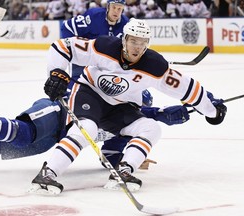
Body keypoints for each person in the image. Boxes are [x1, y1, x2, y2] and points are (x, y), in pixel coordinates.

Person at [29, 18, 227, 195]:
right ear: (124, 39)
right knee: (86, 127)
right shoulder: (103, 46)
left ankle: (124, 171)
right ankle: (48, 174)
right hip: (89, 94)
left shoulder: (155, 66)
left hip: (121, 107)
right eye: (133, 41)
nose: (137, 47)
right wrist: (56, 73)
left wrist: (211, 110)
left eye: (142, 43)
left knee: (151, 128)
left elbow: (188, 88)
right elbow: (62, 46)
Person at [0, 94, 190, 167]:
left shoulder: (125, 127)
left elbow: (108, 157)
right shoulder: (105, 101)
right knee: (25, 133)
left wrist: (132, 159)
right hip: (58, 111)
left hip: (57, 137)